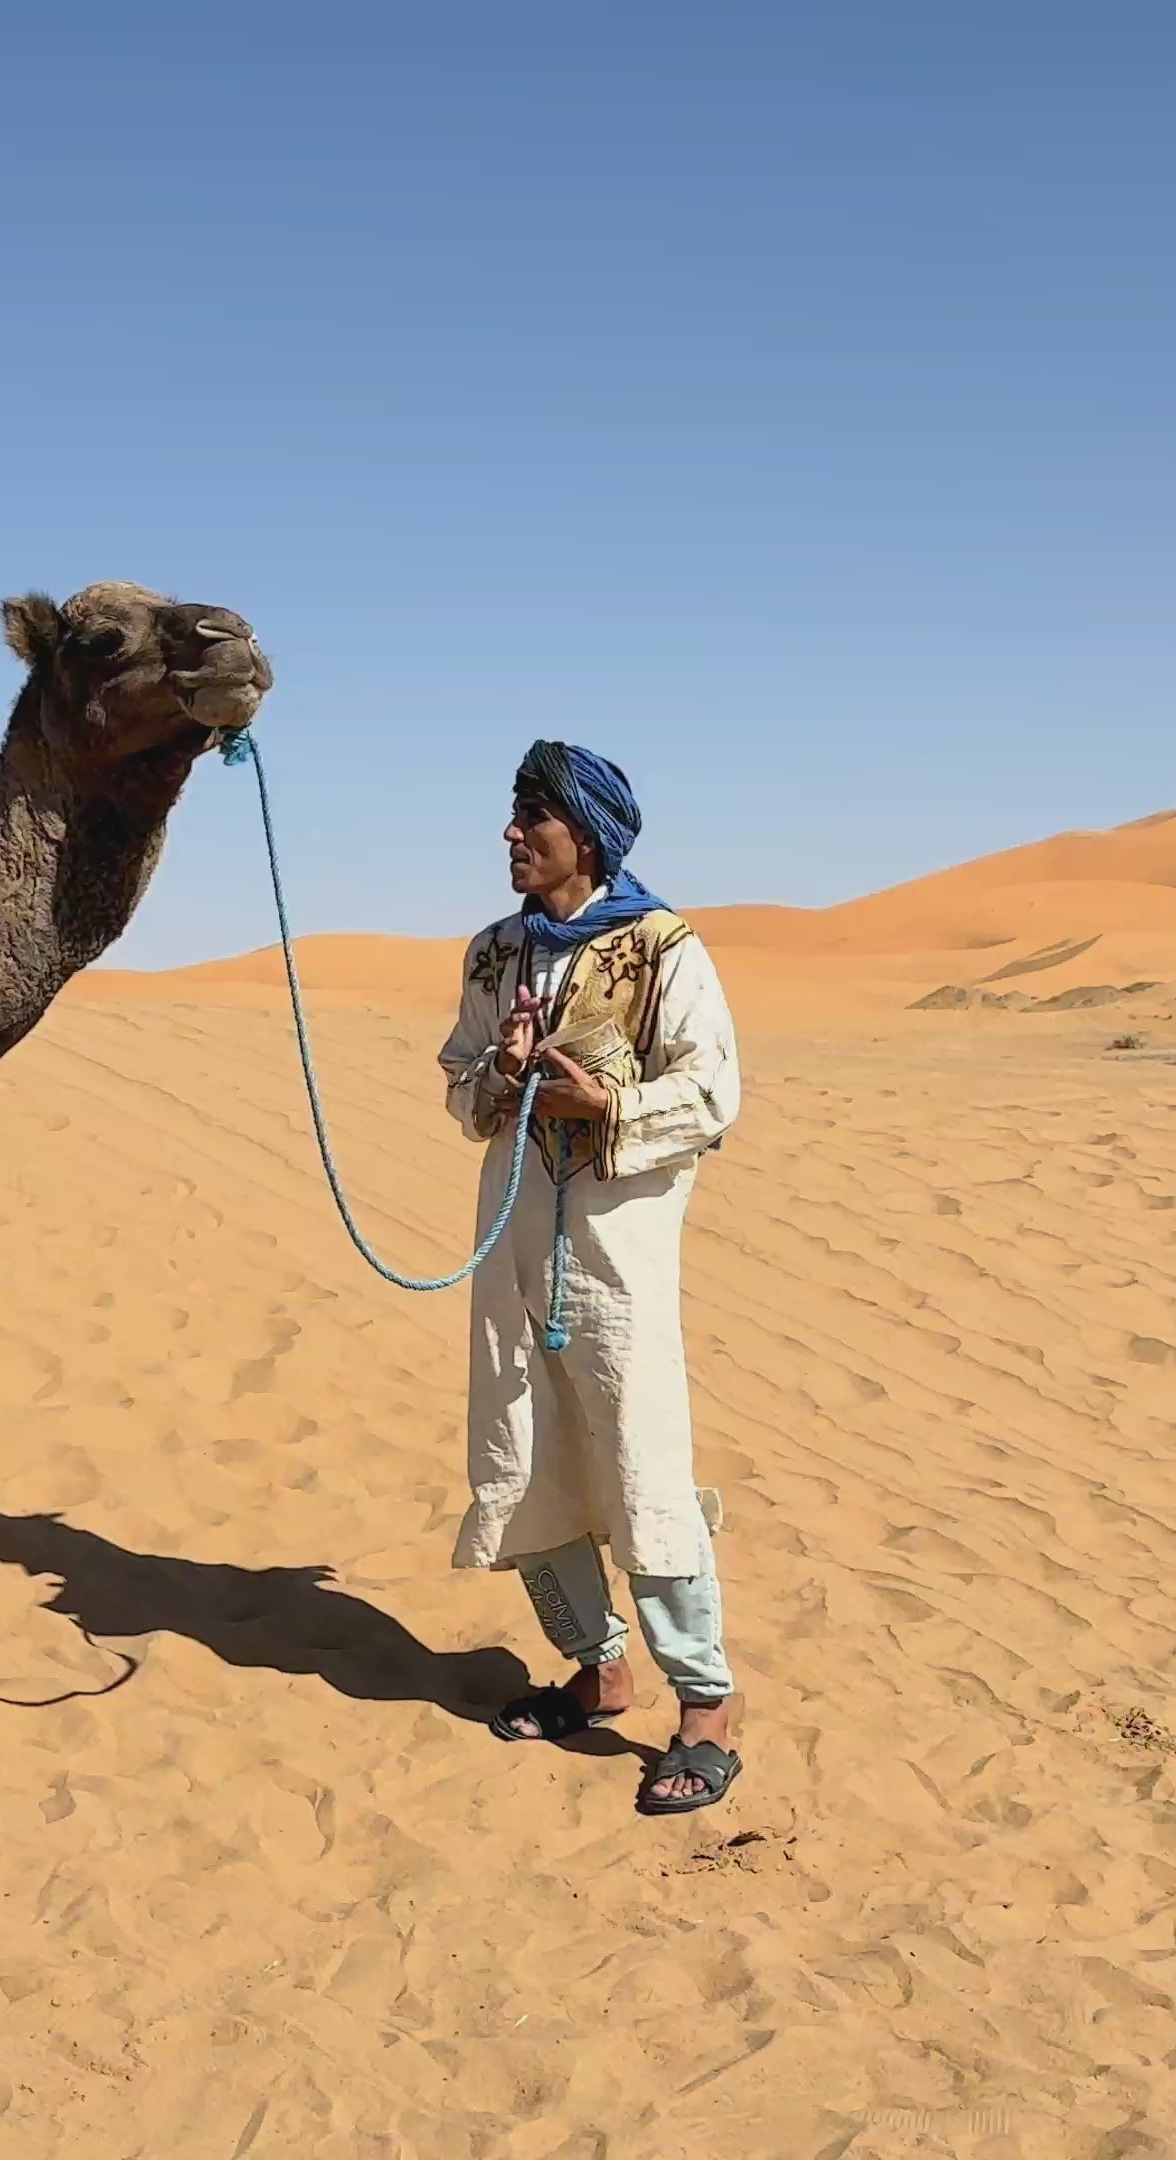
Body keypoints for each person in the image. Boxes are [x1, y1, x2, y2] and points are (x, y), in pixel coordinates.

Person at [436, 739, 746, 1813]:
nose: (513, 834)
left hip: (616, 1265)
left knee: (641, 1468)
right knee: (525, 1456)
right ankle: (597, 1667)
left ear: (588, 834)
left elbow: (712, 1096)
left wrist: (603, 1103)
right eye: (514, 814)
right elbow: (458, 1082)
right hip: (513, 1250)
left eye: (535, 818)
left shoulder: (664, 950)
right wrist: (503, 1073)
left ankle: (704, 1707)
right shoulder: (490, 955)